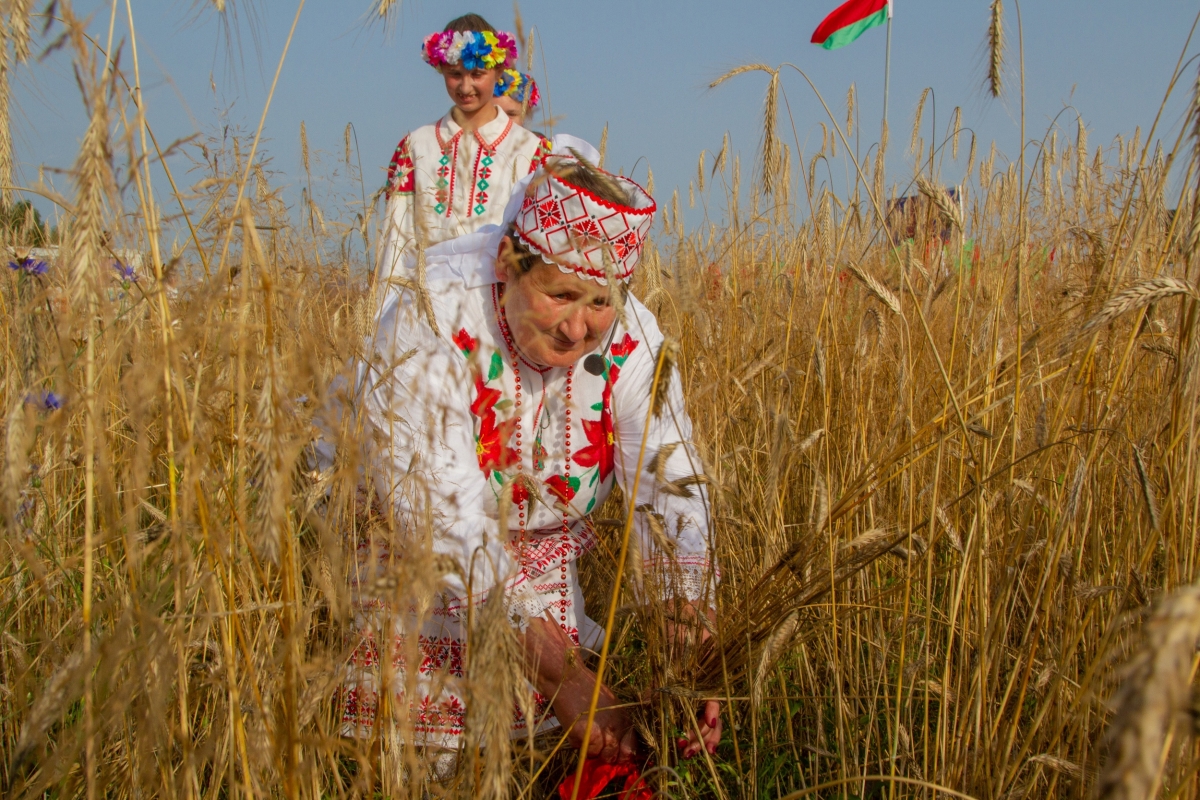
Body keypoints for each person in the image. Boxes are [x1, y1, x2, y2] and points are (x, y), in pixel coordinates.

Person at [329, 138, 722, 769]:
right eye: (560, 296)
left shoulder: (633, 339)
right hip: (421, 580)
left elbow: (667, 477)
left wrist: (688, 638)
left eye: (599, 302)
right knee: (422, 767)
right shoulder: (431, 320)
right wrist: (564, 676)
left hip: (545, 584)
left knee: (539, 764)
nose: (578, 328)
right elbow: (441, 517)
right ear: (509, 266)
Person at [378, 14, 551, 285]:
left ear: (498, 71)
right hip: (425, 302)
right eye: (455, 74)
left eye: (477, 74)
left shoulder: (532, 150)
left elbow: (541, 243)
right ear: (441, 71)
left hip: (500, 305)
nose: (465, 86)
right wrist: (387, 313)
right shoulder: (415, 146)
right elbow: (396, 240)